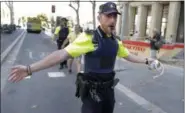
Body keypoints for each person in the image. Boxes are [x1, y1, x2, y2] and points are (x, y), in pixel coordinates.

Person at [9, 2, 155, 113]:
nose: (112, 20)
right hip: (92, 95)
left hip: (109, 93)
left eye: (114, 16)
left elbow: (128, 55)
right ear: (99, 18)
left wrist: (148, 60)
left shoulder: (115, 41)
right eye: (108, 16)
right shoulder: (89, 37)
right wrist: (29, 69)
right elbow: (61, 54)